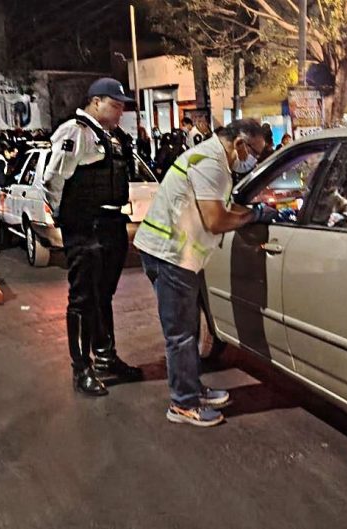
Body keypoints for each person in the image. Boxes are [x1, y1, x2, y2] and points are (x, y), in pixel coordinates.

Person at [133, 118, 277, 427]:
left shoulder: (212, 158)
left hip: (174, 253)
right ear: (239, 143)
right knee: (181, 335)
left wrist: (251, 212)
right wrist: (254, 215)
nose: (253, 161)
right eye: (254, 152)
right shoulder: (211, 163)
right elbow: (215, 220)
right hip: (171, 255)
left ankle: (191, 388)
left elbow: (221, 208)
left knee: (188, 330)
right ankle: (183, 404)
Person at [43, 78, 144, 397]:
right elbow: (53, 179)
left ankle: (105, 357)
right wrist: (63, 217)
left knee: (103, 295)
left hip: (112, 222)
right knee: (83, 298)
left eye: (122, 106)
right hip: (86, 225)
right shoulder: (75, 132)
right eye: (115, 105)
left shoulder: (113, 136)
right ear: (96, 101)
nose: (120, 111)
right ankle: (81, 369)